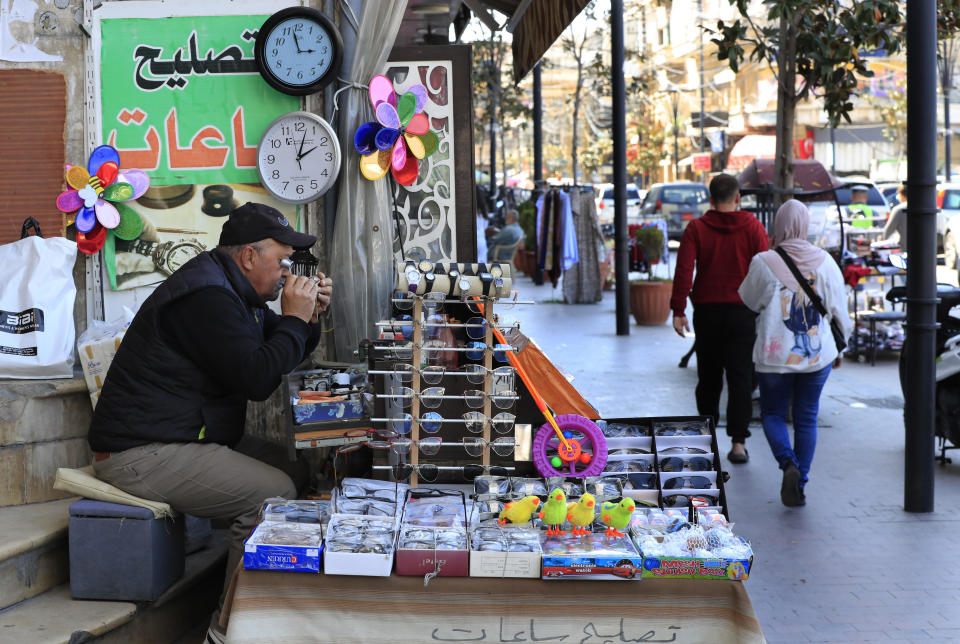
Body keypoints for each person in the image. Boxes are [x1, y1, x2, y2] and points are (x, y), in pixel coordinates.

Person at [87, 202, 333, 643]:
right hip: (138, 452)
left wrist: (309, 317)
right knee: (270, 493)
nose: (285, 272)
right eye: (281, 262)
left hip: (183, 438)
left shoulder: (236, 290)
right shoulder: (207, 296)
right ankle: (227, 628)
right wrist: (296, 318)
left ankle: (273, 604)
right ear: (249, 257)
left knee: (296, 467)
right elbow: (258, 376)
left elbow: (281, 342)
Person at [738, 200, 852, 507]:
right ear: (806, 225)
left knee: (772, 413)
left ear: (779, 225)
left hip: (774, 357)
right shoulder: (826, 262)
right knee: (806, 417)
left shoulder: (763, 261)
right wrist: (843, 345)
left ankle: (787, 462)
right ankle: (800, 481)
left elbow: (748, 300)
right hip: (818, 357)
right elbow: (840, 310)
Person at [670, 173, 769, 463]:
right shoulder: (753, 226)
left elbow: (684, 270)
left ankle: (706, 440)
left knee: (708, 379)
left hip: (708, 312)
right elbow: (765, 268)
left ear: (711, 200)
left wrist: (678, 310)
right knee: (741, 379)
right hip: (743, 312)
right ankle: (738, 444)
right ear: (738, 198)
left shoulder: (697, 228)